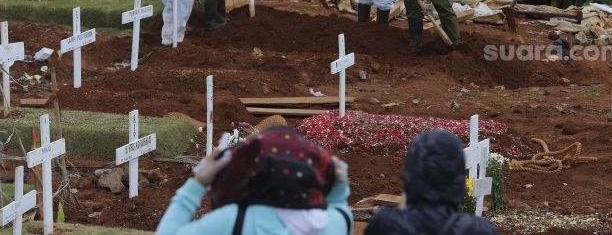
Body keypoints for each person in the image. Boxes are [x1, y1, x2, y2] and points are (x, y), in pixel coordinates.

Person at [156, 127, 353, 235]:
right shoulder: (334, 223)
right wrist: (339, 187)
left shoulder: (233, 220)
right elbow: (339, 206)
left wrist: (198, 182)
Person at [365, 130, 497, 235]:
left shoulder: (385, 226)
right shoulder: (478, 230)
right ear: (459, 183)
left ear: (409, 178)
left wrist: (406, 208)